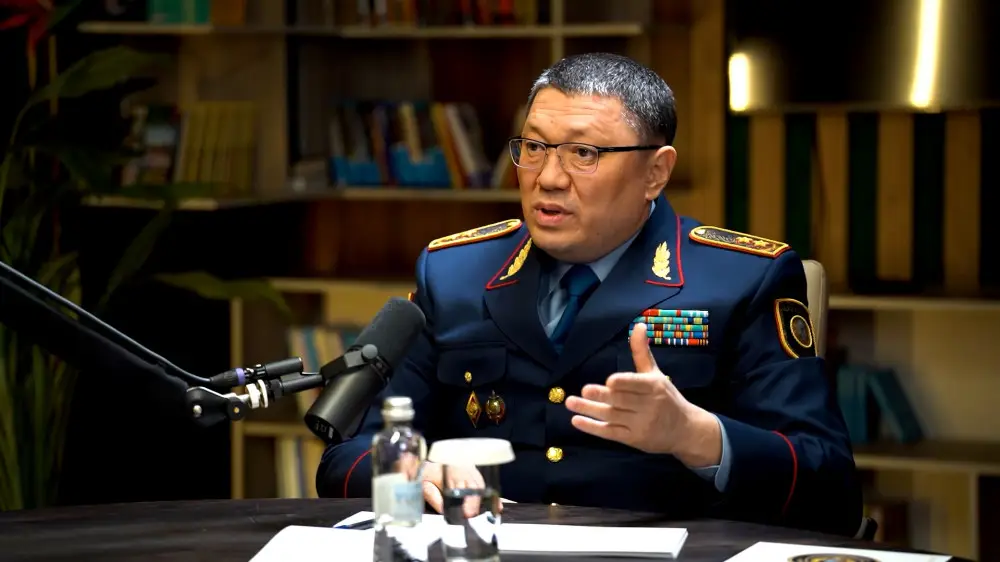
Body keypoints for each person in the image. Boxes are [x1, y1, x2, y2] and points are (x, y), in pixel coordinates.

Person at [317, 52, 862, 537]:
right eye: (533, 147)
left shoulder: (741, 279)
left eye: (584, 153)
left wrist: (697, 436)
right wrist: (409, 470)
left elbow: (832, 491)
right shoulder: (453, 272)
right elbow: (345, 456)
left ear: (656, 172)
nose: (548, 178)